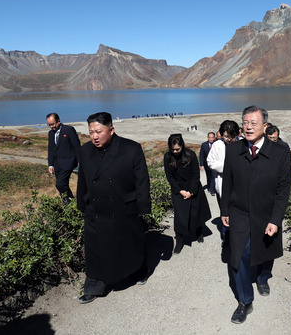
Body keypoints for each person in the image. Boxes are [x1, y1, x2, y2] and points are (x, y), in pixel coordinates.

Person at [220, 105, 291, 324]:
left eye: (253, 123)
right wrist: (224, 210)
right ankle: (244, 301)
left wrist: (276, 219)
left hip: (266, 214)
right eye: (245, 122)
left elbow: (283, 189)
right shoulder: (233, 150)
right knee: (239, 255)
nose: (248, 127)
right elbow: (228, 183)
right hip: (239, 212)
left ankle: (262, 278)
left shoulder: (279, 152)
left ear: (265, 126)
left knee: (264, 250)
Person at [76, 112, 151, 304]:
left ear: (111, 129)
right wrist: (82, 203)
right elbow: (82, 179)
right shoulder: (84, 151)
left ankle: (138, 271)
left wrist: (142, 205)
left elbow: (142, 181)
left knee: (130, 244)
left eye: (98, 131)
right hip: (96, 209)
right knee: (95, 249)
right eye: (91, 132)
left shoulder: (131, 149)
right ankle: (94, 286)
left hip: (124, 207)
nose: (94, 136)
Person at [164, 134, 211, 254]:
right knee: (180, 217)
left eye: (178, 149)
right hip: (178, 189)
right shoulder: (167, 157)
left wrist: (191, 192)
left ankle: (199, 232)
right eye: (173, 149)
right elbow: (170, 176)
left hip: (193, 188)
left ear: (182, 146)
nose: (175, 151)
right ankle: (179, 240)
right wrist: (180, 191)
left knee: (196, 212)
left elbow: (196, 175)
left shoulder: (190, 154)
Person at [206, 120, 240, 248]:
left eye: (231, 137)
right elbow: (210, 162)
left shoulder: (241, 144)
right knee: (224, 211)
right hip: (222, 183)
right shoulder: (217, 145)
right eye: (226, 136)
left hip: (239, 185)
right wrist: (226, 167)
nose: (229, 139)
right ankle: (226, 235)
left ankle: (237, 236)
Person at [46, 113, 81, 202]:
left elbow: (77, 146)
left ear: (58, 121)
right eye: (49, 124)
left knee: (60, 184)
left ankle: (71, 202)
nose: (51, 126)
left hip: (68, 162)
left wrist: (80, 161)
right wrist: (50, 164)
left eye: (52, 124)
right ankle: (67, 206)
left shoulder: (68, 130)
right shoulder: (50, 133)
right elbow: (51, 149)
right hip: (57, 164)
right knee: (62, 186)